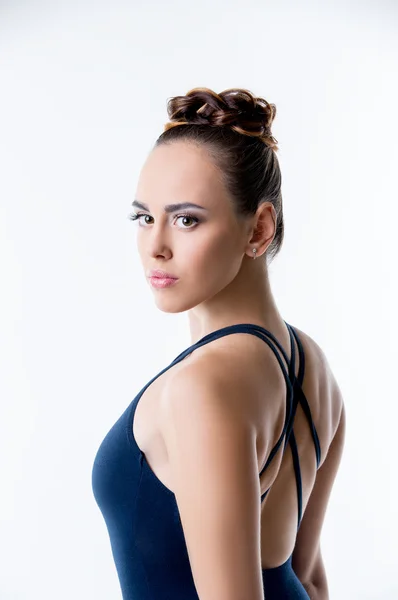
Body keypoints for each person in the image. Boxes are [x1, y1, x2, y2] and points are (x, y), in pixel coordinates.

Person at [91, 87, 346, 600]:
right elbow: (311, 581)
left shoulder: (203, 388)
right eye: (144, 217)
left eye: (186, 219)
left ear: (259, 229)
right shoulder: (312, 364)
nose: (155, 247)